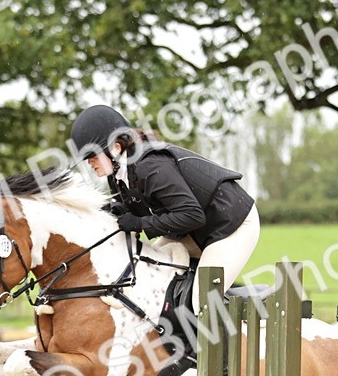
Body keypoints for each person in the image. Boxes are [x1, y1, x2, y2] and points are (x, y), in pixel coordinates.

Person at [70, 105, 260, 310]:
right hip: (190, 230)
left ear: (116, 147)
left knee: (202, 301)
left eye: (93, 156)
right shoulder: (117, 176)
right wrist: (118, 211)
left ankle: (246, 321)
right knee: (141, 273)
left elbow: (193, 215)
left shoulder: (150, 166)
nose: (89, 163)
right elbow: (139, 209)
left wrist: (140, 223)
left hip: (231, 226)